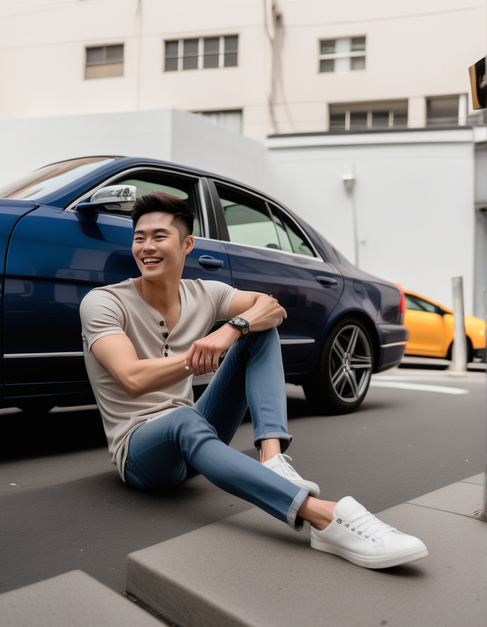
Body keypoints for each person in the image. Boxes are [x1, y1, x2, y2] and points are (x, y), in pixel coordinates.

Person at [79, 191, 428, 569]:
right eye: (139, 237)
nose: (147, 246)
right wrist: (201, 354)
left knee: (259, 331)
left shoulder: (204, 292)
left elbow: (271, 308)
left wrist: (230, 330)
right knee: (182, 420)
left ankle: (273, 459)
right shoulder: (103, 303)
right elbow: (131, 379)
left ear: (187, 244)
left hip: (197, 432)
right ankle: (323, 517)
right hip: (142, 455)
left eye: (159, 236)